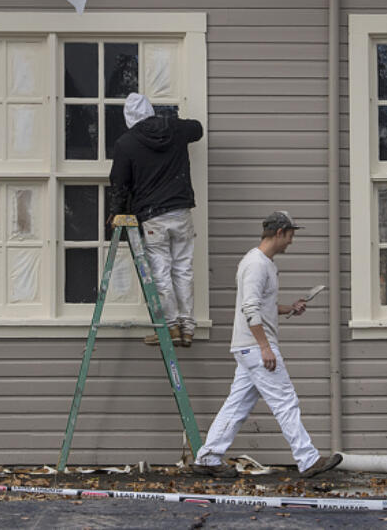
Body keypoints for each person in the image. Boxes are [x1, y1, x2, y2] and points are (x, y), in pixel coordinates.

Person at [192, 211, 342, 479]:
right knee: (285, 400)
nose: (292, 241)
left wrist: (289, 309)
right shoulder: (256, 264)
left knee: (236, 405)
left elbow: (262, 305)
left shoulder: (265, 264)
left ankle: (208, 457)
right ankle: (308, 459)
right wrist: (264, 347)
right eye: (291, 235)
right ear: (279, 232)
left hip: (248, 345)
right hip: (254, 345)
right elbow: (250, 308)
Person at [108, 92, 204, 347]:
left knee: (161, 272)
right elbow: (197, 129)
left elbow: (120, 183)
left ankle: (170, 328)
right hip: (181, 211)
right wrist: (172, 118)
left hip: (153, 217)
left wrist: (116, 212)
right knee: (183, 269)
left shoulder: (126, 143)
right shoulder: (174, 129)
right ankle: (188, 327)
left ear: (128, 118)